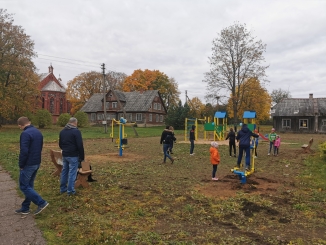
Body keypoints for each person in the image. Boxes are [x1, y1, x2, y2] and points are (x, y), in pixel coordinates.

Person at [15, 117, 49, 215]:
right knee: (29, 185)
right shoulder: (38, 132)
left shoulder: (25, 134)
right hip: (36, 162)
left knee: (24, 186)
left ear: (20, 125)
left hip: (28, 164)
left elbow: (24, 151)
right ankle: (25, 207)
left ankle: (41, 202)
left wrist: (21, 164)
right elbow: (40, 146)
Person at [59, 117, 85, 195]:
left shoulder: (62, 131)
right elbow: (80, 145)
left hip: (65, 155)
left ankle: (63, 189)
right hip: (73, 155)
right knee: (72, 173)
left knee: (64, 171)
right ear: (75, 123)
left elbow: (60, 144)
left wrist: (65, 149)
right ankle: (70, 191)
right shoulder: (76, 132)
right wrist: (82, 157)